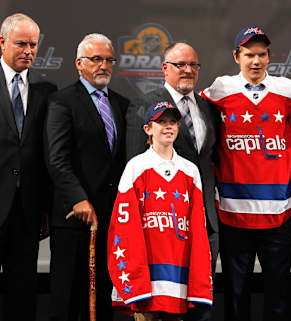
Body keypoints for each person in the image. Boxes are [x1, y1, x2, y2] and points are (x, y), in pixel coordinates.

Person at [201, 26, 291, 321]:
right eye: (249, 54)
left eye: (262, 54)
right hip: (232, 213)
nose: (256, 61)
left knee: (279, 292)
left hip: (278, 212)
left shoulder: (288, 90)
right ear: (236, 56)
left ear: (269, 56)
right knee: (236, 293)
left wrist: (288, 160)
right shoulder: (219, 90)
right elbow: (199, 126)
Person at [125, 41, 220, 321]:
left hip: (204, 222)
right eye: (181, 65)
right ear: (165, 68)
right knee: (161, 308)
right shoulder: (143, 106)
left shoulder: (206, 106)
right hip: (162, 224)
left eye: (193, 65)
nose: (188, 70)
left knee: (199, 303)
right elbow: (134, 166)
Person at [45, 33, 129, 321]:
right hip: (73, 218)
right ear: (79, 63)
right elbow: (57, 159)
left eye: (108, 59)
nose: (103, 65)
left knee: (103, 301)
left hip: (110, 220)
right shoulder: (61, 101)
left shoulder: (122, 104)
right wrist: (79, 199)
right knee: (66, 301)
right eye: (96, 59)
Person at [108, 102, 213, 321]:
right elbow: (125, 227)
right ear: (148, 129)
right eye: (161, 122)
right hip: (147, 275)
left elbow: (198, 226)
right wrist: (135, 277)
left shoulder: (190, 170)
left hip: (177, 274)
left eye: (173, 122)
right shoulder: (136, 167)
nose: (168, 127)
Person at [0, 13, 56, 321]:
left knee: (22, 292)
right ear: (3, 42)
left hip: (27, 209)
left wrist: (45, 207)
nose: (29, 51)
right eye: (22, 43)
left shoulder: (46, 92)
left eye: (34, 45)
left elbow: (47, 155)